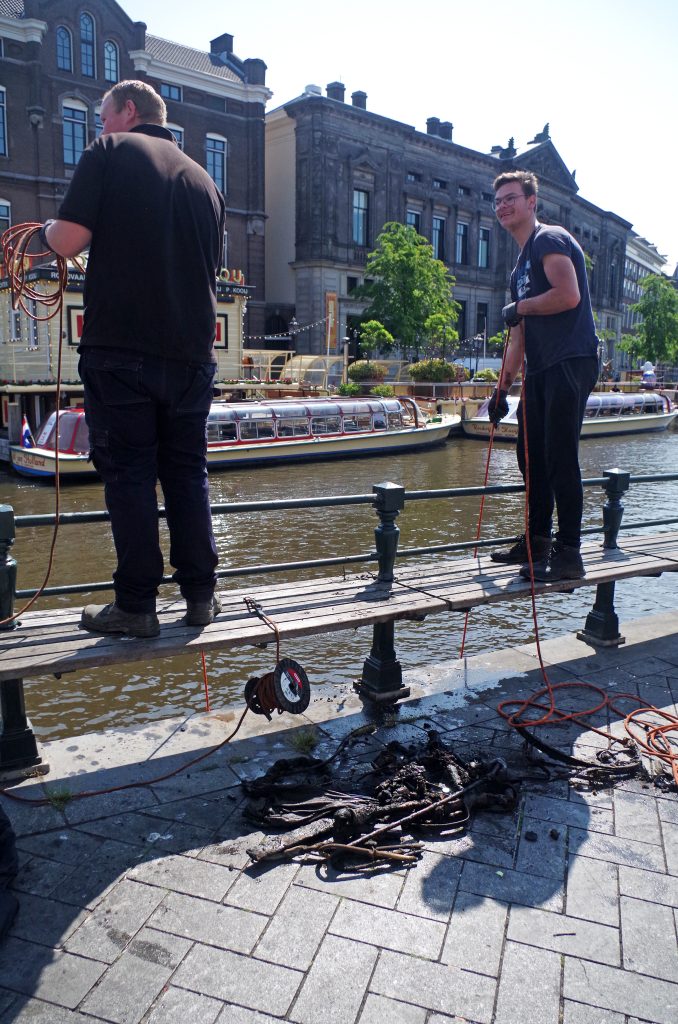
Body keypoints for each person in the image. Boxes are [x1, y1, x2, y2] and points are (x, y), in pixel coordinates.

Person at [40, 80, 225, 637]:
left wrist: (46, 230)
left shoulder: (110, 152)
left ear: (126, 111)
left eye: (101, 118)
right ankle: (200, 596)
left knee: (129, 477)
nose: (98, 129)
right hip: (193, 356)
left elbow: (68, 241)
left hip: (121, 349)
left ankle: (136, 606)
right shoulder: (206, 181)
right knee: (187, 473)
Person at [488, 170, 598, 581]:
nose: (502, 206)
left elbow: (567, 296)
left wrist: (521, 308)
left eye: (510, 198)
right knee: (530, 456)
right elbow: (517, 337)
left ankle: (569, 554)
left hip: (571, 358)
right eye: (497, 200)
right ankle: (536, 543)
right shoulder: (518, 269)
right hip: (541, 366)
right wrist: (501, 391)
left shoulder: (548, 239)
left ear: (532, 202)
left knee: (559, 456)